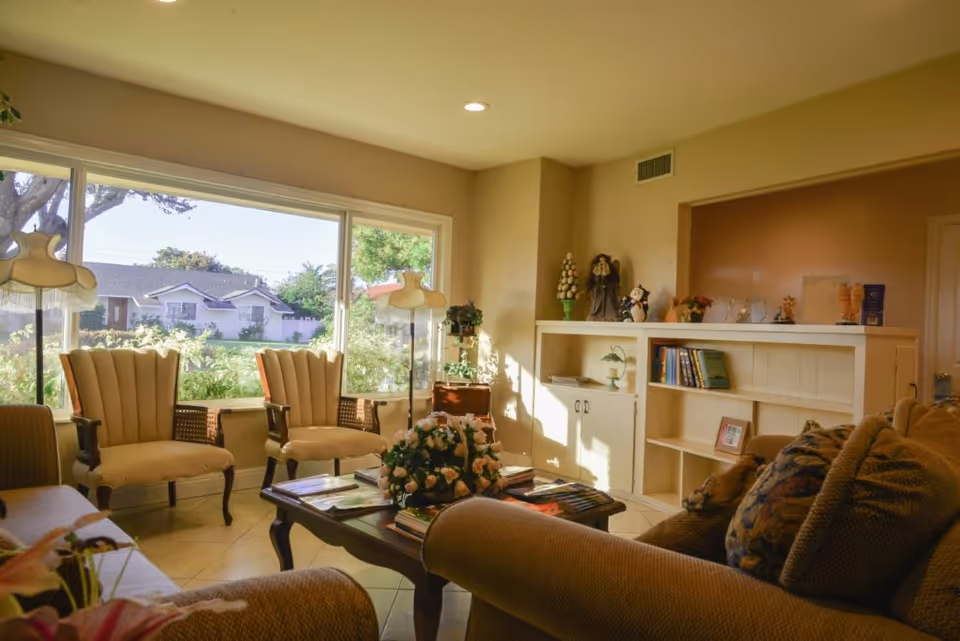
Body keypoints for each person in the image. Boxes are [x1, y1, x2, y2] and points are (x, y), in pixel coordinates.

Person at [587, 254, 621, 321]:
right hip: (598, 297)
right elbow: (593, 287)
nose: (602, 265)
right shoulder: (594, 276)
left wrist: (605, 279)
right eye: (600, 263)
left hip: (609, 297)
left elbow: (614, 287)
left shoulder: (612, 276)